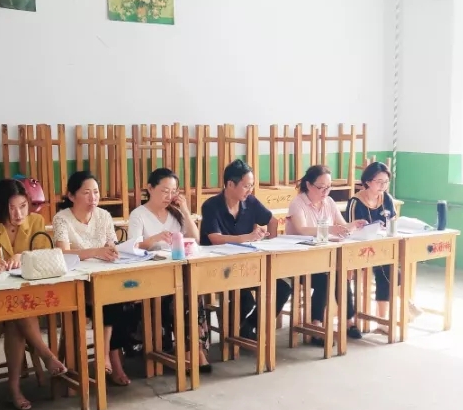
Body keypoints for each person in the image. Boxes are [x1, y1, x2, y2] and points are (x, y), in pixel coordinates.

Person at [0, 179, 69, 410]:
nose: (18, 214)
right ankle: (46, 356)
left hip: (26, 299)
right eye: (11, 208)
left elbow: (45, 254)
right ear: (0, 207)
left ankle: (14, 387)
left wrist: (24, 256)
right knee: (15, 312)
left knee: (15, 314)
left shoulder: (36, 221)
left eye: (23, 206)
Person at [51, 171, 134, 386]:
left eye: (96, 192)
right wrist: (95, 252)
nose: (93, 198)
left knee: (122, 298)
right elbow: (62, 253)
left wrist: (112, 251)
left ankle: (106, 354)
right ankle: (108, 357)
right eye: (86, 193)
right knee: (111, 301)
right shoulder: (62, 218)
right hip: (79, 285)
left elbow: (111, 245)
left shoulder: (104, 216)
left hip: (104, 278)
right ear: (71, 196)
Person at [127, 168, 210, 372]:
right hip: (152, 277)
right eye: (164, 191)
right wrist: (154, 239)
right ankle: (190, 351)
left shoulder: (175, 214)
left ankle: (195, 349)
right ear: (150, 188)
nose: (169, 196)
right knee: (182, 297)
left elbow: (195, 239)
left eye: (173, 192)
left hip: (178, 273)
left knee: (192, 293)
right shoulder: (139, 214)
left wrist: (185, 211)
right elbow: (132, 247)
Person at [199, 159, 292, 338]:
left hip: (246, 264)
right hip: (218, 267)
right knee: (245, 300)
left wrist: (270, 244)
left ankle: (248, 327)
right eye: (246, 186)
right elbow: (215, 239)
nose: (250, 190)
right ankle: (229, 334)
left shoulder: (251, 202)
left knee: (282, 288)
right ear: (230, 184)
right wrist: (247, 237)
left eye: (252, 186)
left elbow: (272, 221)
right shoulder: (211, 205)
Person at [286, 165, 368, 344]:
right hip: (299, 263)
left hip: (324, 260)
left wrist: (354, 225)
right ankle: (316, 326)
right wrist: (330, 229)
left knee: (340, 275)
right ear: (309, 185)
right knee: (327, 277)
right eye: (321, 187)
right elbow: (301, 230)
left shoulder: (329, 202)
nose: (325, 192)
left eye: (328, 187)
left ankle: (348, 321)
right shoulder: (298, 203)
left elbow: (342, 226)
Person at [345, 161, 422, 333]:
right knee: (388, 270)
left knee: (390, 269)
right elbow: (350, 230)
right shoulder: (356, 202)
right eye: (379, 182)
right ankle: (404, 305)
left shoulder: (386, 198)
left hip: (382, 247)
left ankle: (383, 318)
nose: (383, 186)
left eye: (386, 182)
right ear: (368, 181)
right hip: (359, 249)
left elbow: (393, 222)